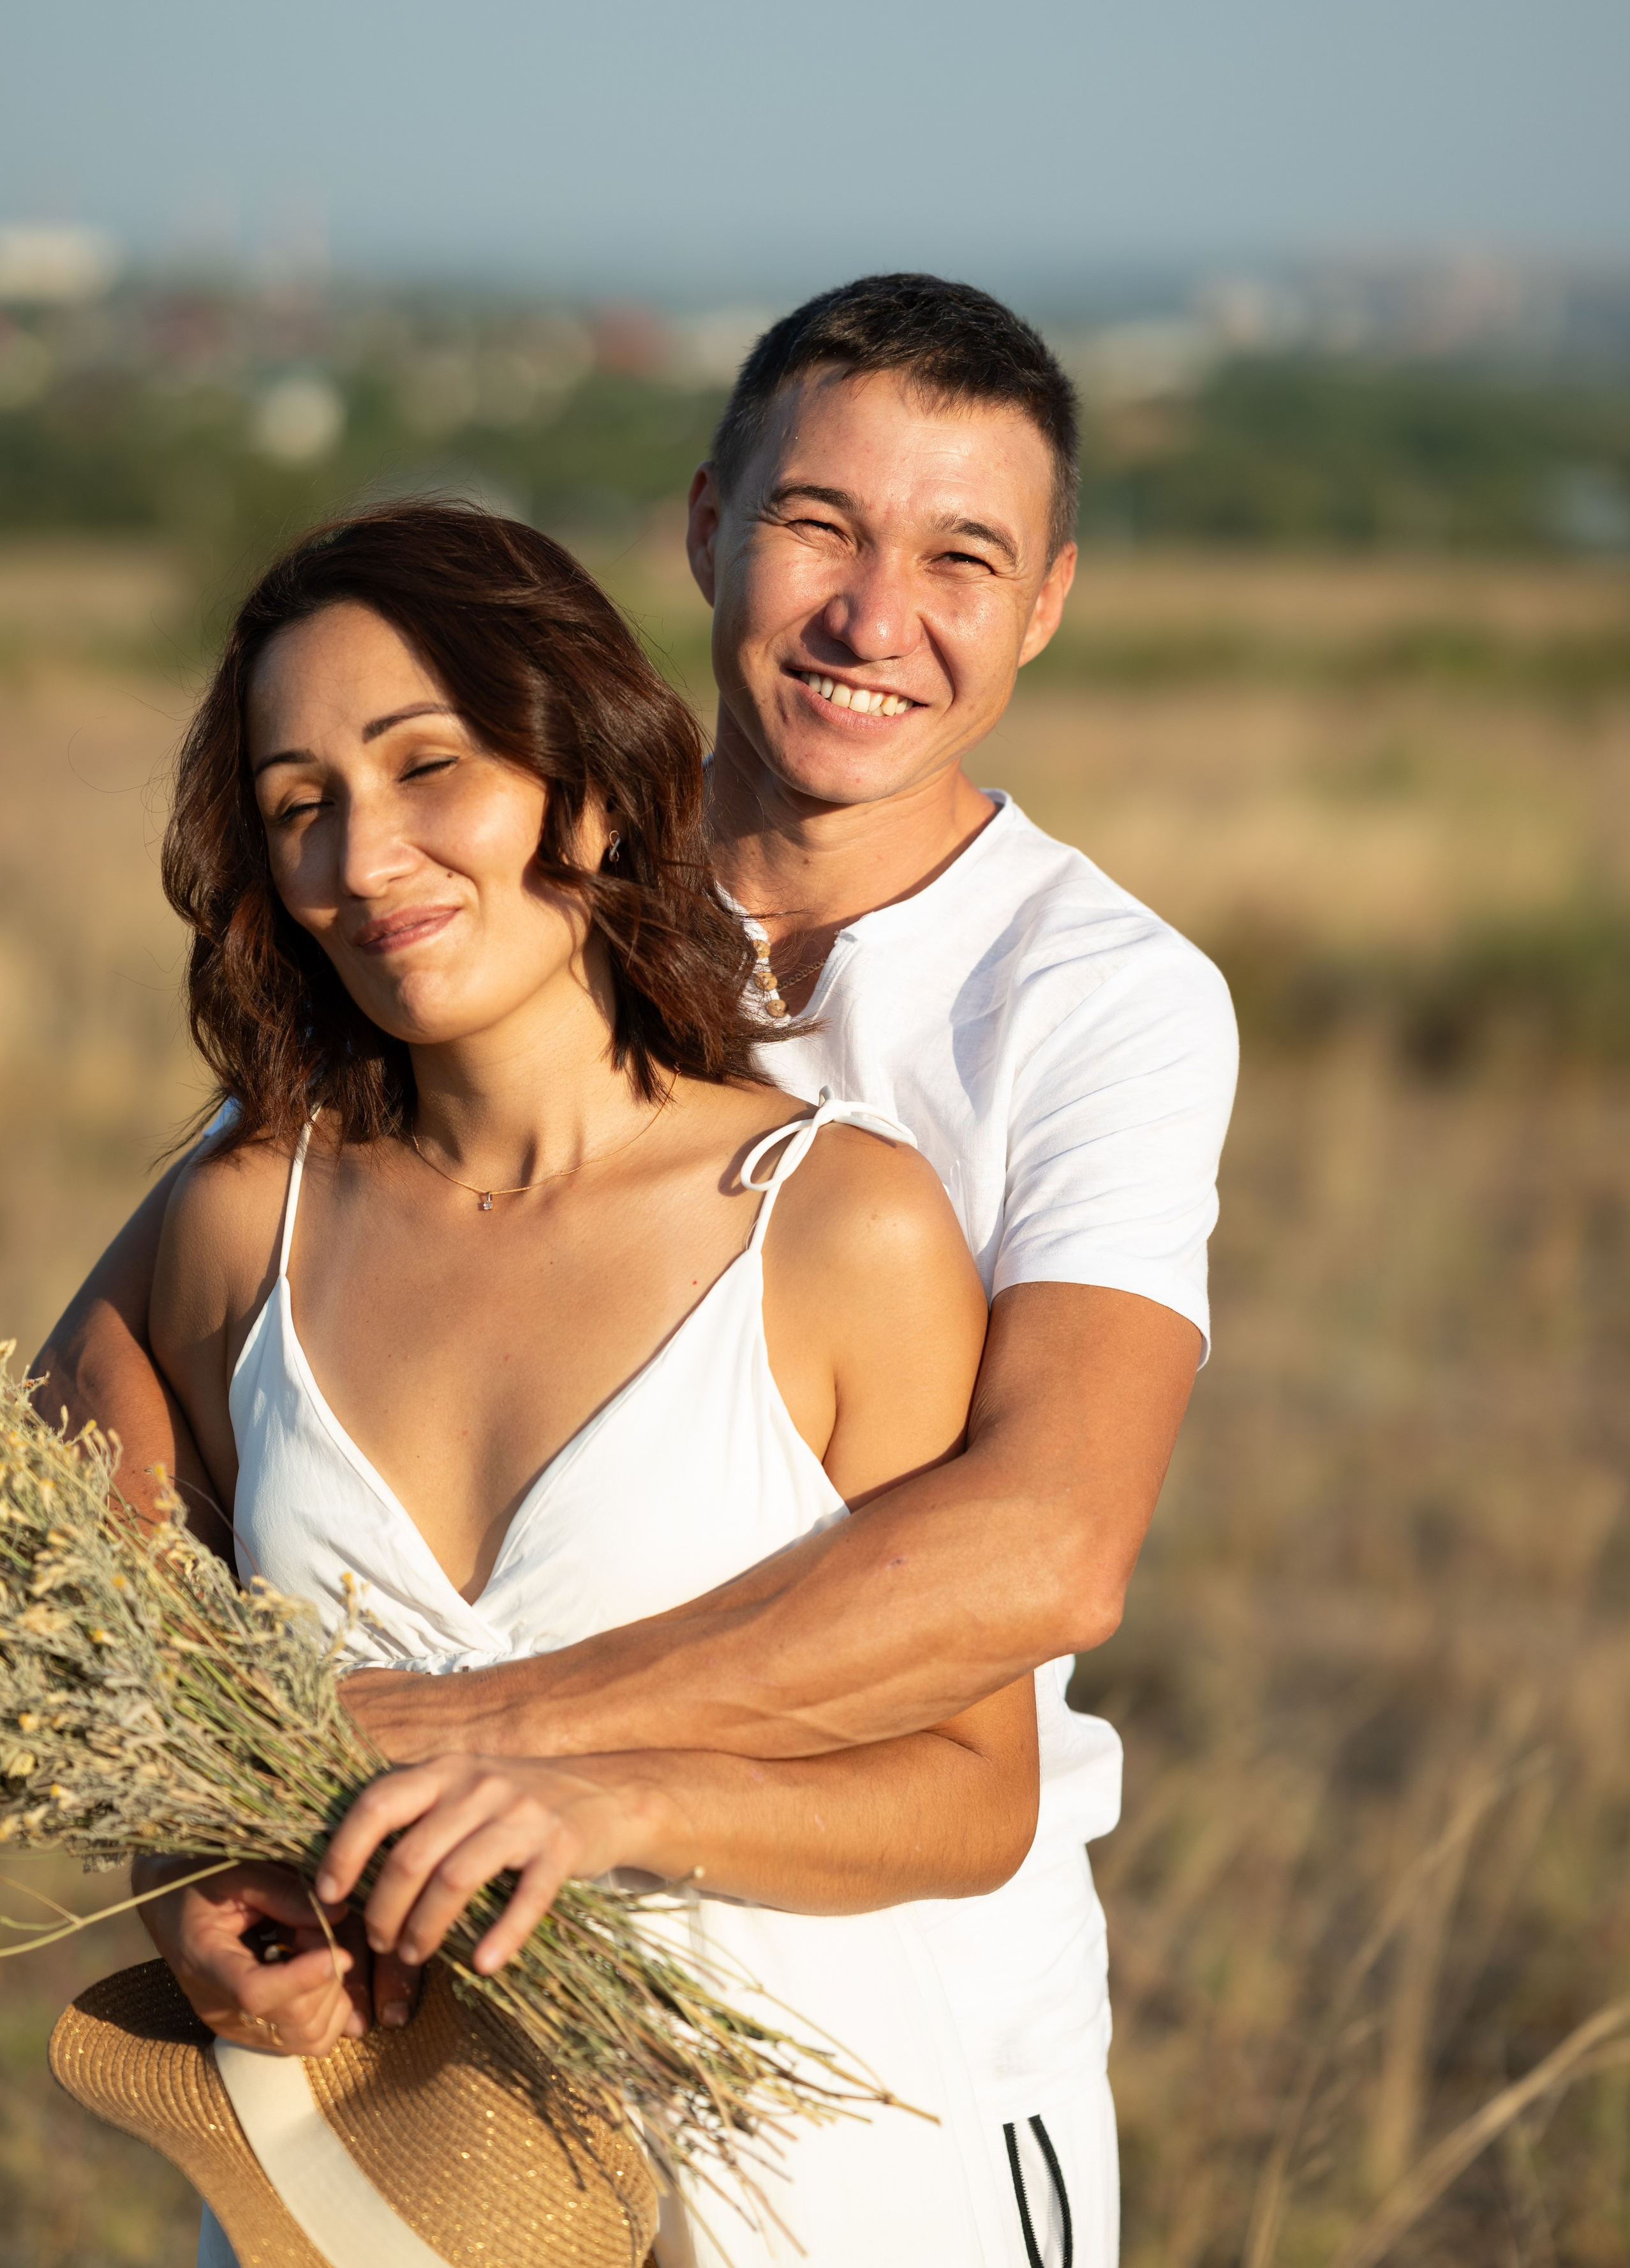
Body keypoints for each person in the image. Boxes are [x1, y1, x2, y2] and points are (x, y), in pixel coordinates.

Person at [38, 274, 1239, 2262]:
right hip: (433, 2127)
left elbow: (1046, 1552)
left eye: (962, 557)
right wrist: (192, 1820)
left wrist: (486, 1734)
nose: (876, 616)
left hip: (879, 2027)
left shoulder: (1096, 998)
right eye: (819, 526)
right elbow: (113, 1365)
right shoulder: (498, 873)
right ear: (705, 526)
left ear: (1046, 603)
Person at [136, 503, 1048, 2266]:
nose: (365, 856)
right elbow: (168, 1687)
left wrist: (618, 1799)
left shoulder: (836, 1224)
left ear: (593, 793)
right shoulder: (245, 1222)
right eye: (300, 803)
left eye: (429, 767)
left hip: (787, 2182)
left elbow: (975, 1786)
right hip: (372, 2190)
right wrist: (183, 1890)